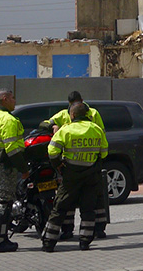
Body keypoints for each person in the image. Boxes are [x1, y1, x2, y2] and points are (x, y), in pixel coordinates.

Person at [41, 102, 108, 252]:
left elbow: (52, 151)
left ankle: (49, 242)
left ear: (72, 115)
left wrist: (58, 165)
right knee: (88, 208)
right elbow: (103, 153)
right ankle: (85, 241)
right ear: (87, 115)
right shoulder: (97, 129)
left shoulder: (66, 130)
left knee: (60, 207)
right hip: (91, 174)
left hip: (70, 174)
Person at [0, 89, 29, 253]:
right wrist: (23, 169)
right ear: (4, 99)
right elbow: (12, 149)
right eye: (12, 98)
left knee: (4, 200)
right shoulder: (7, 119)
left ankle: (1, 238)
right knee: (5, 202)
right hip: (5, 164)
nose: (14, 101)